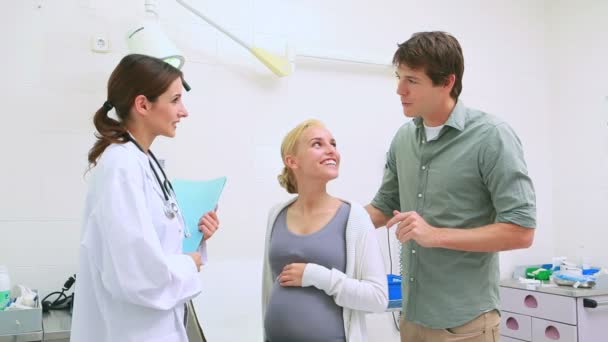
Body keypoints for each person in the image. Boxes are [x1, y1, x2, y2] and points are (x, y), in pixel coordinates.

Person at [365, 31, 537, 342]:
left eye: (412, 80)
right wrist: (325, 224)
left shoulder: (492, 137)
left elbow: (521, 231)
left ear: (446, 82)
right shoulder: (403, 139)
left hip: (465, 323)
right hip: (412, 316)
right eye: (399, 77)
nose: (399, 90)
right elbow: (382, 207)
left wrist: (435, 235)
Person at [71, 54, 220, 342]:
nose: (184, 111)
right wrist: (190, 263)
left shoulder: (143, 161)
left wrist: (196, 236)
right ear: (142, 104)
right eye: (175, 100)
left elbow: (154, 244)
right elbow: (137, 275)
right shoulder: (121, 166)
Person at [262, 119, 388, 342]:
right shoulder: (276, 215)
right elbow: (269, 290)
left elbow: (378, 297)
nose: (331, 150)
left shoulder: (354, 217)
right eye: (317, 144)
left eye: (333, 143)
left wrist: (316, 276)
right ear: (292, 161)